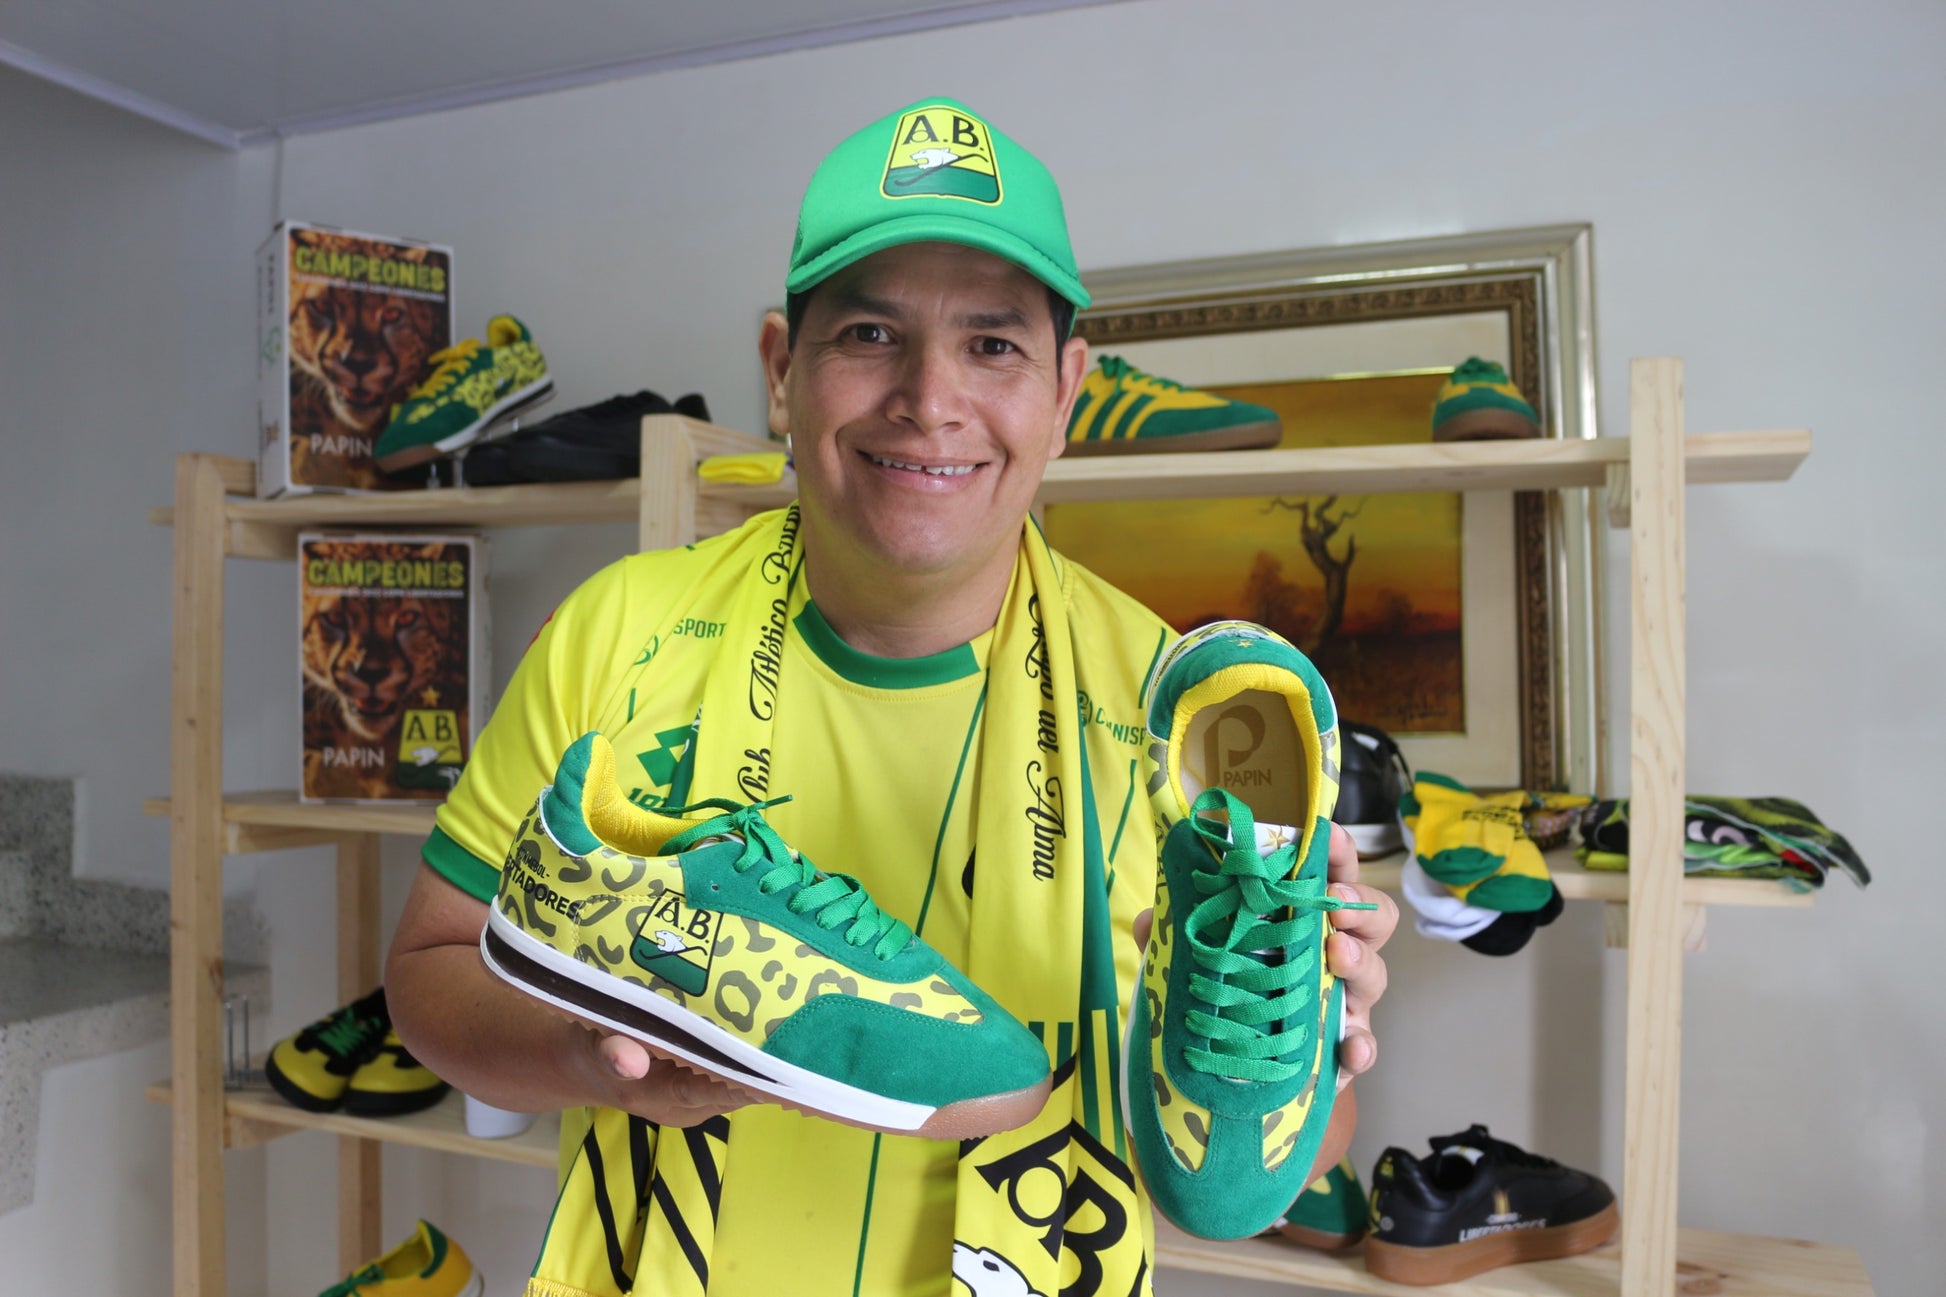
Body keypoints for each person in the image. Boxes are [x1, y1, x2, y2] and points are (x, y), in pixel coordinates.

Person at [387, 96, 1397, 1297]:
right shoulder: (619, 629)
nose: (928, 398)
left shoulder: (1178, 709)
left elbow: (1255, 1174)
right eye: (870, 333)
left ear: (1067, 392)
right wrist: (589, 1055)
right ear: (781, 370)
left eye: (993, 345)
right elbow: (431, 974)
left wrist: (1308, 1037)